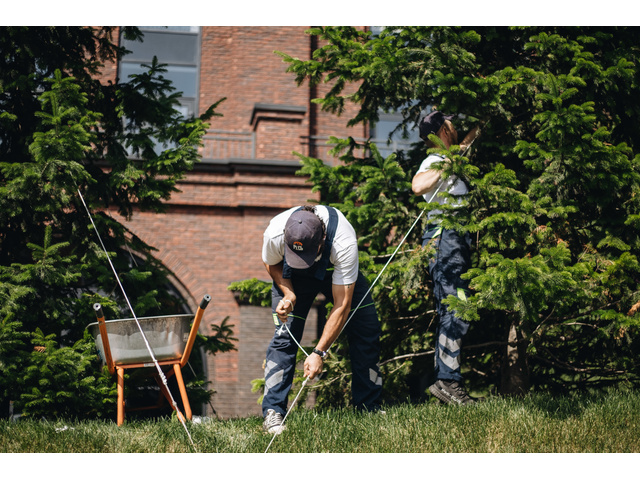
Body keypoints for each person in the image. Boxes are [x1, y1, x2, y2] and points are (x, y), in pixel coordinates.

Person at [261, 205, 383, 434]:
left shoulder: (343, 242)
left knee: (367, 327)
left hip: (333, 270)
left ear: (322, 240)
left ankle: (369, 408)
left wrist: (319, 352)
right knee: (284, 337)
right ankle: (272, 413)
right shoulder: (275, 232)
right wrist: (288, 293)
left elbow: (342, 305)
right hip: (291, 275)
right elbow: (271, 262)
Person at [412, 110, 479, 405]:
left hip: (457, 240)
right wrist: (449, 162)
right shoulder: (434, 160)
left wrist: (479, 127)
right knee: (455, 306)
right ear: (441, 132)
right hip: (445, 238)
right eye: (450, 125)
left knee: (460, 306)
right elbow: (418, 185)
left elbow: (467, 142)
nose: (454, 129)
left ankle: (448, 382)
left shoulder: (453, 155)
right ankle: (447, 381)